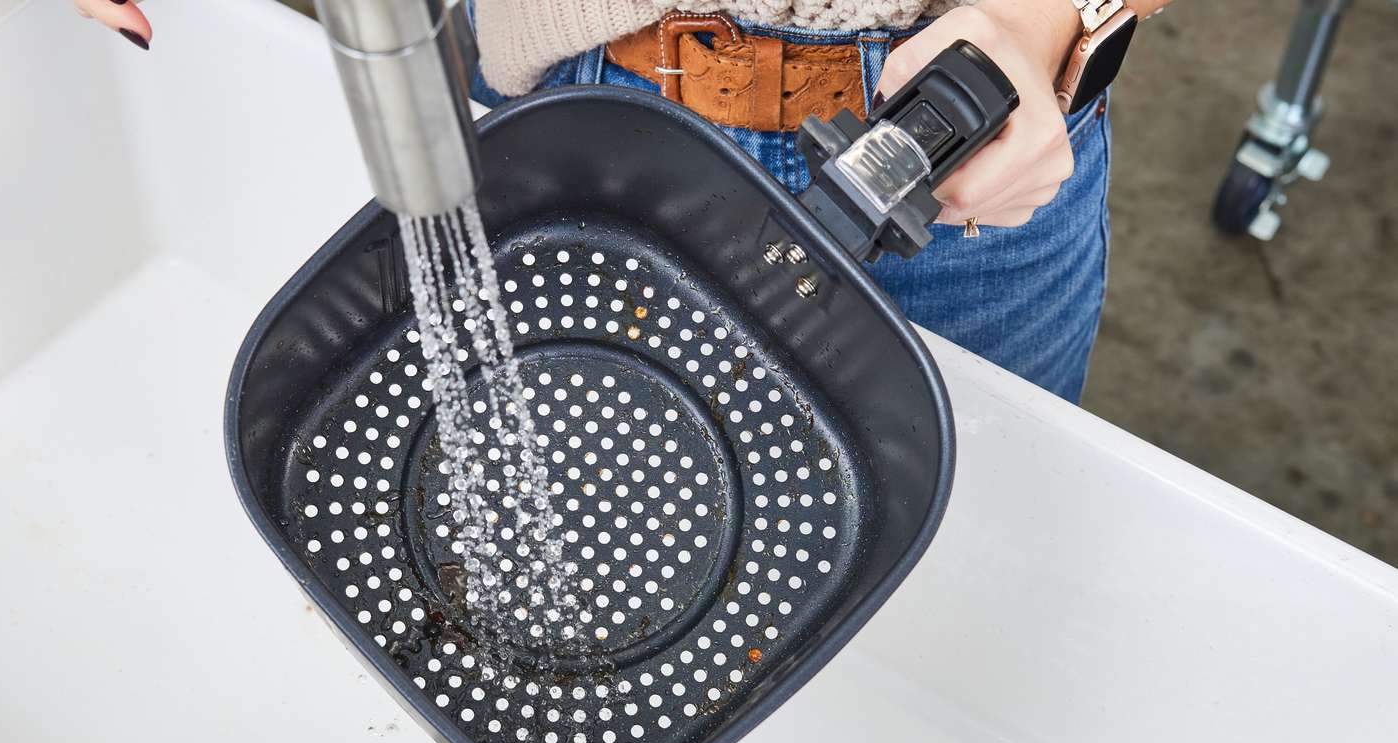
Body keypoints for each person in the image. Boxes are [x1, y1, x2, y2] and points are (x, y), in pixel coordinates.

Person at [75, 0, 1174, 402]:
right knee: (552, 559)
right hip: (568, 102)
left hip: (961, 153)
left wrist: (1043, 19)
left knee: (949, 632)